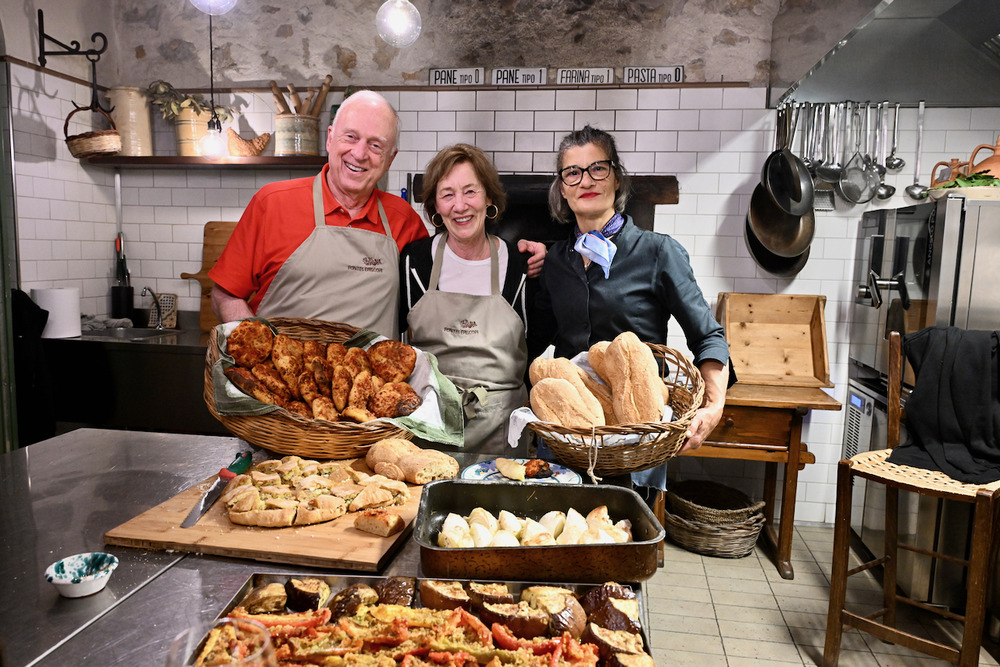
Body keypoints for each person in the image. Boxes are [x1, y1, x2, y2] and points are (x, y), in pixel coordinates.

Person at [209, 90, 546, 338]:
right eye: (350, 137)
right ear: (330, 139)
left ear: (390, 157)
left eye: (375, 145)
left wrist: (519, 254)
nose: (360, 153)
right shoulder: (273, 203)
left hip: (371, 416)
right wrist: (252, 348)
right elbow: (226, 292)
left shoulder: (403, 221)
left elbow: (455, 271)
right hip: (281, 412)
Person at [529, 125, 731, 469]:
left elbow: (709, 336)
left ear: (617, 178)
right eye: (573, 173)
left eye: (598, 168)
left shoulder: (658, 252)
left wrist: (713, 407)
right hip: (568, 436)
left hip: (638, 438)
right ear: (562, 188)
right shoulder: (556, 262)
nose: (586, 181)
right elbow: (534, 341)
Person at [399, 144, 532, 454]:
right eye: (447, 195)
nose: (459, 206)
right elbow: (401, 345)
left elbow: (533, 347)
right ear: (435, 206)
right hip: (428, 432)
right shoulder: (415, 262)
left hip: (501, 434)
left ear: (488, 198)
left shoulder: (519, 264)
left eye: (470, 191)